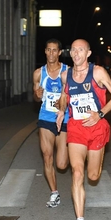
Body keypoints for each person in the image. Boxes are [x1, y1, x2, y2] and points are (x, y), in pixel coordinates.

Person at [56, 39, 111, 220]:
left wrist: (99, 114)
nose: (76, 53)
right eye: (73, 49)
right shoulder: (66, 75)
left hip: (97, 126)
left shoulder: (98, 72)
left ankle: (94, 167)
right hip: (75, 127)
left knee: (92, 176)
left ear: (88, 53)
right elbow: (64, 96)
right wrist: (60, 111)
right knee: (76, 172)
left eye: (80, 50)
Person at [33, 39, 69, 208]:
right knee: (47, 157)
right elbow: (36, 97)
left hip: (65, 119)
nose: (52, 53)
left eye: (55, 50)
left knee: (62, 164)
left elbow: (71, 95)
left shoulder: (67, 71)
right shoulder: (38, 73)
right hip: (46, 117)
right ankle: (54, 193)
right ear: (45, 52)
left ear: (59, 52)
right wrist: (37, 94)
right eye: (49, 50)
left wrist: (63, 103)